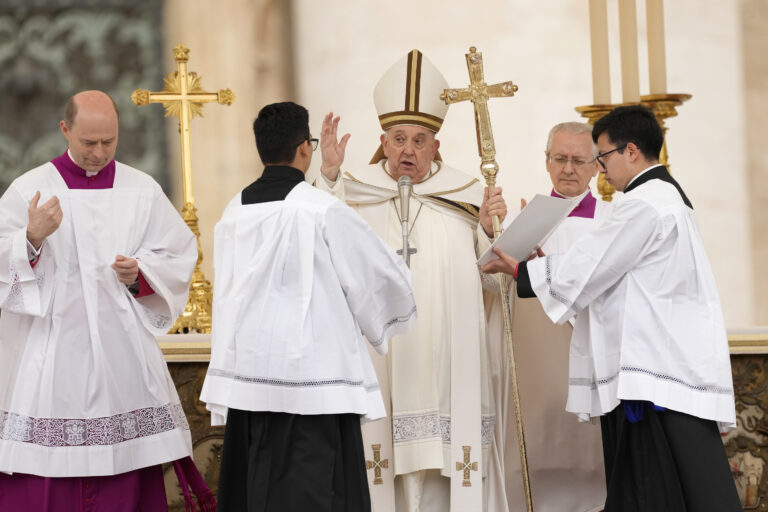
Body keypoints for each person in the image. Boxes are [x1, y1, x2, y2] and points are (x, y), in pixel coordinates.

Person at [482, 105, 741, 511]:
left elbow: (595, 263)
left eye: (602, 158)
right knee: (677, 486)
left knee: (653, 489)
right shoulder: (665, 199)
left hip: (652, 378)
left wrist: (523, 271)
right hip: (663, 370)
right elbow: (616, 278)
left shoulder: (645, 204)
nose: (601, 170)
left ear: (631, 151)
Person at [200, 102, 416, 512]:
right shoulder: (321, 210)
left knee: (256, 495)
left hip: (250, 384)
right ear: (305, 148)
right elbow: (378, 277)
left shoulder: (233, 211)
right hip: (313, 392)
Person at [317, 50, 508, 512]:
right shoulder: (353, 192)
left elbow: (495, 283)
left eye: (420, 140)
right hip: (383, 358)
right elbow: (320, 246)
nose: (407, 150)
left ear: (436, 147)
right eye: (398, 139)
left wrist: (487, 230)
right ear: (383, 141)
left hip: (449, 362)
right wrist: (326, 175)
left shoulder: (465, 196)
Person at [0, 90, 210, 511]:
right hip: (52, 355)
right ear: (65, 130)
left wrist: (141, 275)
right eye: (88, 142)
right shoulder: (30, 190)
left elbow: (176, 253)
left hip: (121, 358)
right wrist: (31, 238)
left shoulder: (141, 189)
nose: (98, 153)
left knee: (125, 470)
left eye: (108, 142)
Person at [487, 121, 609, 511]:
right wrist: (493, 231)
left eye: (578, 160)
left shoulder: (612, 223)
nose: (568, 169)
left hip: (590, 362)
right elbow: (492, 287)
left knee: (594, 466)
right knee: (532, 466)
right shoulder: (527, 223)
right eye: (560, 159)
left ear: (596, 166)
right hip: (533, 370)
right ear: (546, 161)